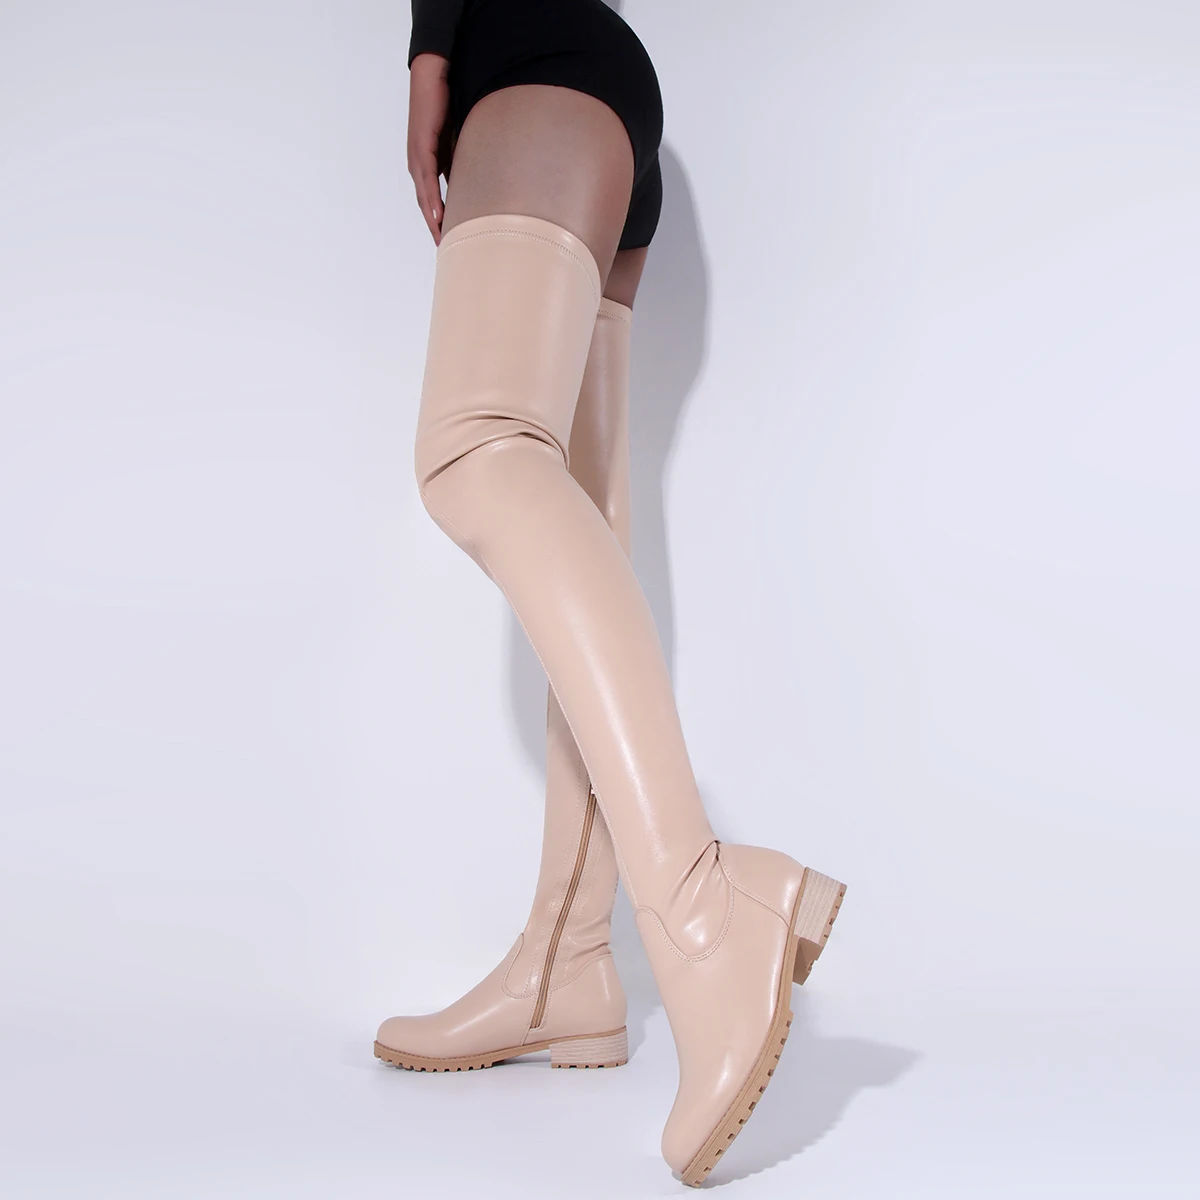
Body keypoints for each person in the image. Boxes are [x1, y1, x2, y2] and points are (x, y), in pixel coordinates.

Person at [374, 1, 847, 1185]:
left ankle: (701, 905)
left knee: (478, 448)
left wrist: (431, 48)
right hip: (603, 102)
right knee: (578, 502)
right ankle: (569, 961)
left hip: (527, 65)